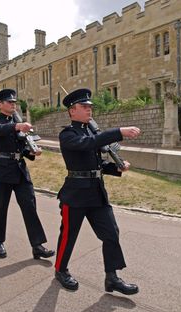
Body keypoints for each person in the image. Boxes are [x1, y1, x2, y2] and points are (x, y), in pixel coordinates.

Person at [54, 88, 141, 295]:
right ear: (72, 111)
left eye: (90, 107)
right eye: (84, 107)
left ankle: (112, 277)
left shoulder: (91, 132)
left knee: (111, 233)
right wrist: (118, 131)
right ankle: (60, 269)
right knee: (69, 235)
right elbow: (88, 145)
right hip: (75, 194)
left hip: (96, 193)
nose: (89, 110)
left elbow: (97, 163)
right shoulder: (68, 134)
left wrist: (115, 168)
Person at [0, 88, 55, 259]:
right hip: (1, 170)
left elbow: (22, 147)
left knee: (29, 206)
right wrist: (17, 126)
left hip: (19, 170)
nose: (13, 104)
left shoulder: (17, 122)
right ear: (0, 104)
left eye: (14, 102)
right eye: (10, 102)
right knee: (0, 208)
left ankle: (37, 245)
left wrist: (31, 152)